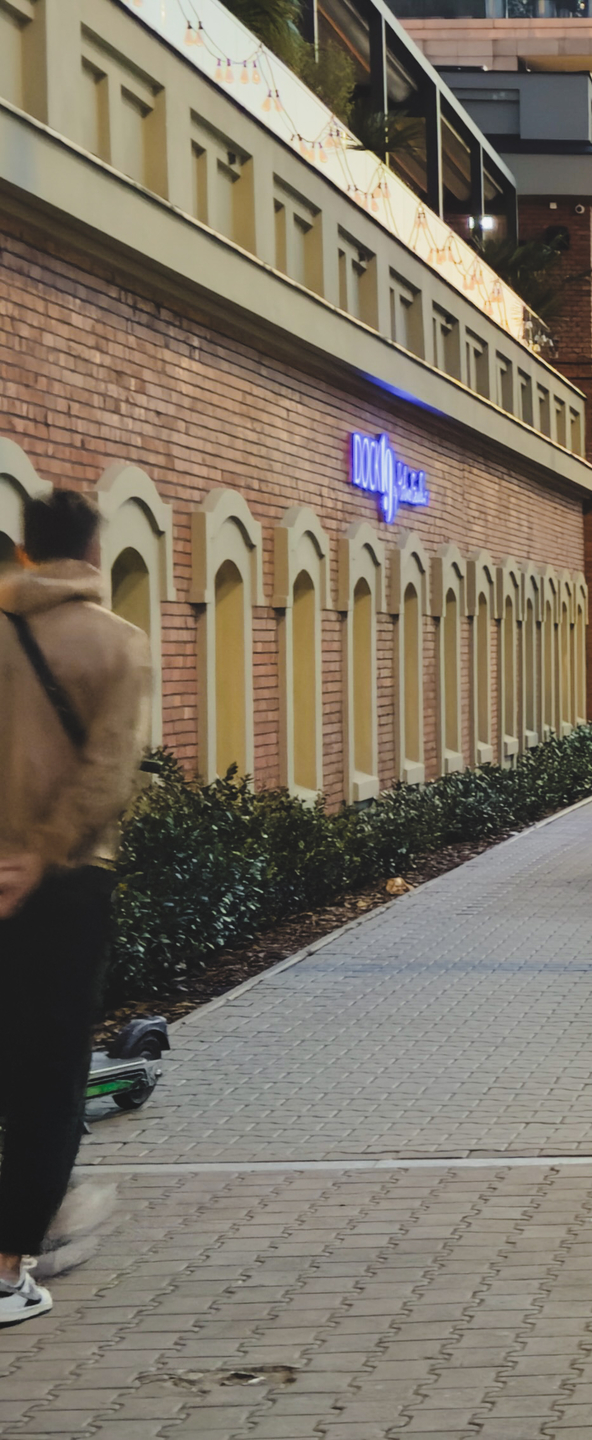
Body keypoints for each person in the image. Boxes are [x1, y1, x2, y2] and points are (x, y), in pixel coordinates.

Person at [0, 489, 152, 1327]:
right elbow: (106, 775)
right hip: (61, 884)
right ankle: (8, 1266)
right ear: (93, 553)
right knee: (47, 1077)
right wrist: (38, 856)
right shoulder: (116, 644)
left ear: (26, 552)